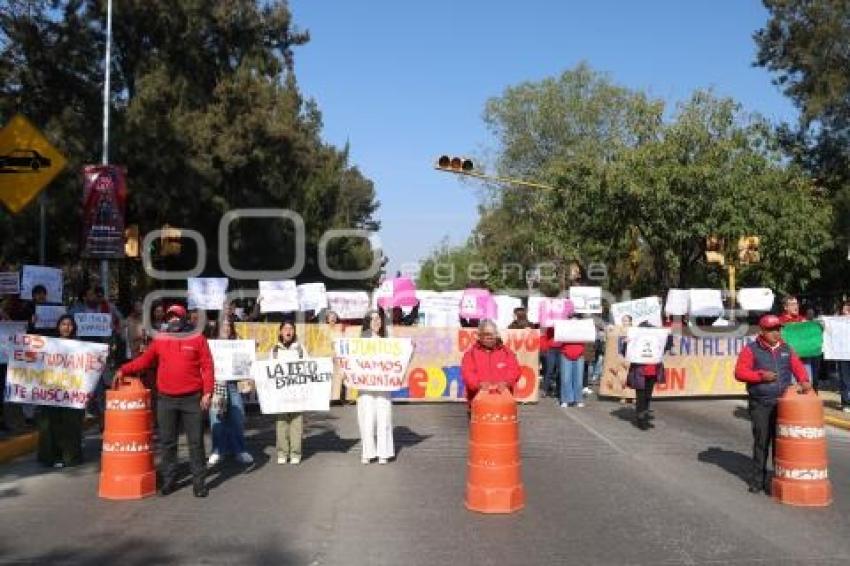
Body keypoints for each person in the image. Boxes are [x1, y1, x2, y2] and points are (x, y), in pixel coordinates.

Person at [117, 304, 214, 498]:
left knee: (196, 443)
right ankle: (170, 480)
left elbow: (207, 366)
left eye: (177, 316)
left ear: (184, 318)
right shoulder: (160, 339)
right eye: (170, 317)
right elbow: (144, 361)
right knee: (168, 442)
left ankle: (199, 483)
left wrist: (207, 392)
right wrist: (124, 369)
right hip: (166, 399)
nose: (173, 320)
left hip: (192, 399)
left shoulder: (197, 338)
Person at [735, 314, 812, 494]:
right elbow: (739, 373)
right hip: (761, 403)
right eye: (771, 330)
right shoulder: (751, 349)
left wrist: (804, 380)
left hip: (783, 405)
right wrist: (760, 376)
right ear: (762, 331)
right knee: (762, 442)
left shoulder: (786, 349)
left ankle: (778, 480)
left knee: (781, 443)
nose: (776, 333)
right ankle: (757, 480)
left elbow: (798, 367)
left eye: (778, 329)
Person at [36, 315, 86, 468]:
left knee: (70, 424)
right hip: (51, 391)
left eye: (69, 324)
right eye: (63, 324)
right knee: (50, 424)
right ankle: (50, 456)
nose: (66, 327)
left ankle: (70, 456)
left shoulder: (81, 346)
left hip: (71, 392)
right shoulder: (49, 344)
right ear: (58, 326)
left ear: (74, 327)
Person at [207, 319, 253, 467]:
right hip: (217, 385)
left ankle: (240, 450)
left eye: (228, 325)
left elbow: (245, 362)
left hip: (233, 385)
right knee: (216, 418)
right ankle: (217, 450)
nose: (226, 328)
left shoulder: (237, 342)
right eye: (223, 325)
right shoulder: (210, 344)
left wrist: (251, 350)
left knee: (237, 417)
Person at [357, 309, 395, 464]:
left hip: (383, 385)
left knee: (384, 418)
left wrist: (410, 348)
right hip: (365, 385)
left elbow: (399, 358)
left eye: (379, 319)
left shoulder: (387, 341)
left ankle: (383, 452)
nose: (376, 322)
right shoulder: (360, 341)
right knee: (367, 418)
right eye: (373, 319)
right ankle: (368, 452)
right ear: (367, 322)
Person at [271, 320, 308, 465]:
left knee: (296, 423)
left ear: (294, 332)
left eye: (291, 328)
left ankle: (295, 453)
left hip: (297, 393)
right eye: (285, 328)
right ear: (281, 332)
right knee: (281, 423)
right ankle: (282, 452)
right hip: (280, 393)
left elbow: (308, 367)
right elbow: (269, 371)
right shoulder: (275, 350)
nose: (288, 331)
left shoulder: (300, 349)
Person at [622, 321, 671, 430]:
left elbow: (665, 347)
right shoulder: (635, 339)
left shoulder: (655, 339)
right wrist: (626, 343)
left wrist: (667, 335)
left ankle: (644, 415)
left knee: (648, 395)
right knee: (641, 396)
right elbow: (626, 353)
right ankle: (641, 419)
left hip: (652, 371)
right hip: (640, 371)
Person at [461, 319, 521, 407]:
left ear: (496, 335)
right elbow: (467, 373)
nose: (490, 338)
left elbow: (514, 370)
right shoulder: (470, 354)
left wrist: (506, 382)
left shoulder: (507, 352)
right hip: (478, 403)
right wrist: (478, 384)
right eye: (486, 335)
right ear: (479, 336)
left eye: (492, 335)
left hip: (503, 403)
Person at [558, 316, 587, 409]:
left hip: (579, 355)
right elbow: (559, 337)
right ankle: (566, 400)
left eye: (576, 320)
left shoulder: (582, 329)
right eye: (572, 320)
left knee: (578, 379)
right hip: (565, 354)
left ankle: (578, 400)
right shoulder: (565, 328)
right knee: (566, 378)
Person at [837, 301, 850, 413]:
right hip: (843, 354)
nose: (846, 311)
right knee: (844, 379)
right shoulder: (837, 322)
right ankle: (845, 402)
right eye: (845, 309)